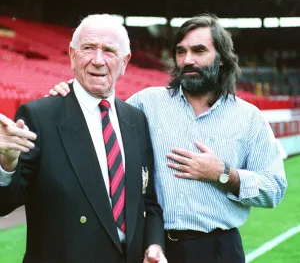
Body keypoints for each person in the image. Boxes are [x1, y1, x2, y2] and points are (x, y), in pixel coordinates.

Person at [49, 13, 287, 263]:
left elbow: (275, 189)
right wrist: (73, 95)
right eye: (181, 52)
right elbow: (100, 123)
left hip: (218, 249)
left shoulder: (249, 118)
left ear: (222, 60)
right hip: (153, 246)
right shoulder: (146, 102)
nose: (188, 60)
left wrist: (223, 174)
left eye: (199, 51)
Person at [0, 14, 167, 263]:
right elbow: (5, 204)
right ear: (72, 55)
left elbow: (148, 201)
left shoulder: (136, 120)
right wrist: (6, 164)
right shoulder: (39, 117)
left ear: (125, 62)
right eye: (88, 48)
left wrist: (154, 245)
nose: (97, 60)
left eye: (109, 51)